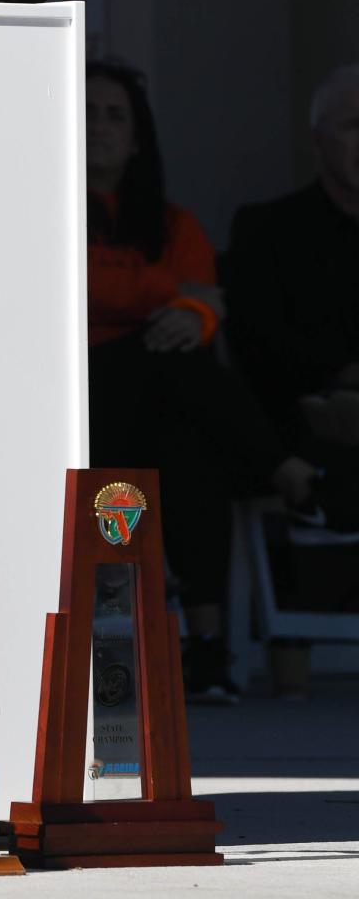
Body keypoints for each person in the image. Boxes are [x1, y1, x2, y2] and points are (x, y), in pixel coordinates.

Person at [84, 60, 314, 703]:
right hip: (85, 402)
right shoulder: (50, 207)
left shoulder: (173, 222)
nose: (101, 126)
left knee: (190, 447)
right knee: (173, 363)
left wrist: (197, 308)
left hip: (157, 410)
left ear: (136, 137)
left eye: (115, 115)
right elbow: (83, 291)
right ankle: (281, 465)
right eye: (90, 112)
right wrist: (180, 298)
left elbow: (205, 299)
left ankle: (207, 652)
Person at [227, 66, 359, 532]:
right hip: (304, 427)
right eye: (353, 126)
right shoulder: (268, 230)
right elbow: (256, 345)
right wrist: (339, 375)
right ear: (319, 139)